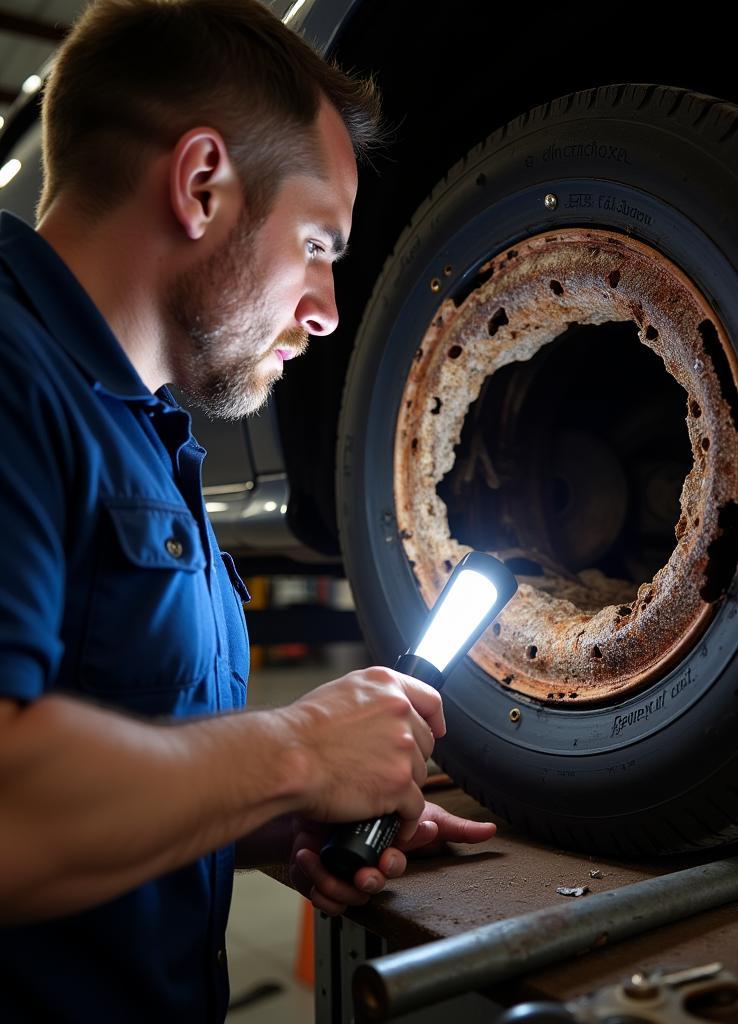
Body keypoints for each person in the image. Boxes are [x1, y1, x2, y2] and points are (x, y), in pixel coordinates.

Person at [0, 0, 496, 1019]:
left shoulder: (148, 435)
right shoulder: (10, 379)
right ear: (201, 184)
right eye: (317, 241)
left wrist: (271, 814)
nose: (325, 306)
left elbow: (119, 745)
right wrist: (298, 749)